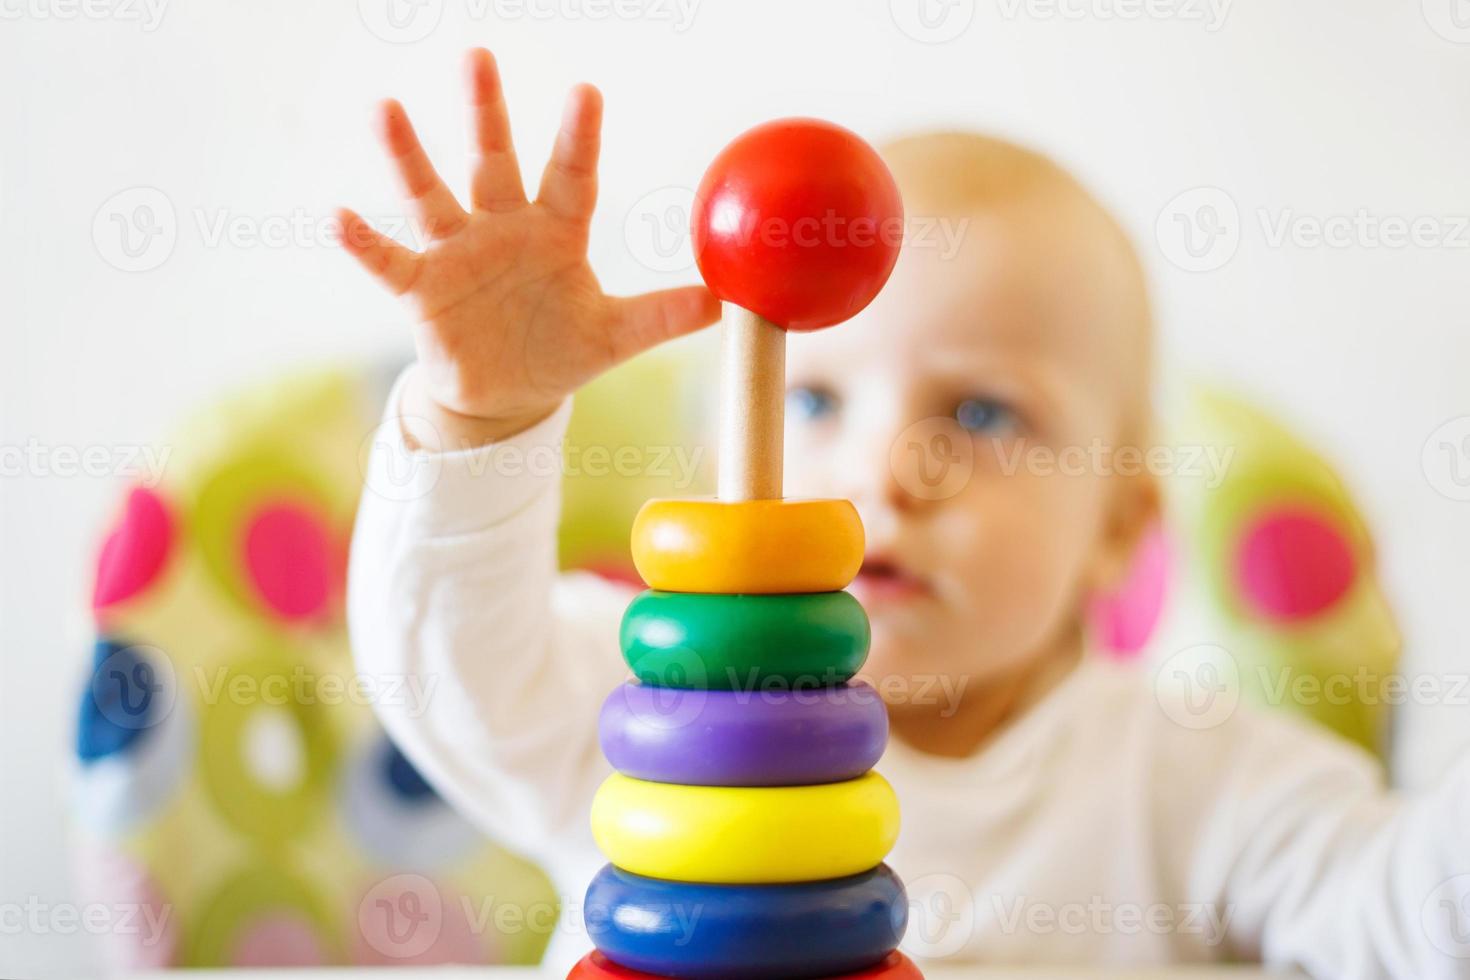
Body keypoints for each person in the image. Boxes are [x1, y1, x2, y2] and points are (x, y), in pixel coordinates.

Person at [343, 48, 1470, 978]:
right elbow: (448, 676)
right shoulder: (648, 705)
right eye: (817, 399)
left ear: (1121, 529)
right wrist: (478, 422)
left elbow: (1400, 917)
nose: (888, 465)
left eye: (981, 411)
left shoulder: (1192, 774)